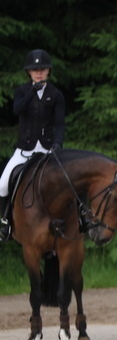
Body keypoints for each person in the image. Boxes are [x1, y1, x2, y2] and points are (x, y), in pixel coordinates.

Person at [0, 49, 66, 241]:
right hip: (25, 150)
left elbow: (59, 123)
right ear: (29, 72)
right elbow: (17, 110)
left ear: (48, 71)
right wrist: (32, 91)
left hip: (47, 149)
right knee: (2, 184)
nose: (39, 72)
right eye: (35, 69)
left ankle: (78, 220)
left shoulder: (56, 94)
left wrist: (58, 143)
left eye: (42, 69)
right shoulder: (22, 91)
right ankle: (5, 223)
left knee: (68, 180)